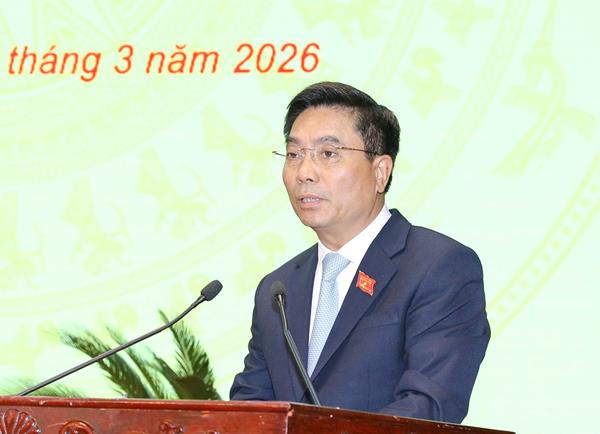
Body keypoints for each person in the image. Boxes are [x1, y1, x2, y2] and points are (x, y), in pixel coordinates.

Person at [230, 81, 490, 423]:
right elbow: (251, 411)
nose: (304, 173)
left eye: (328, 154)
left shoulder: (438, 266)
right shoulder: (278, 289)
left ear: (380, 172)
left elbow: (428, 408)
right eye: (294, 155)